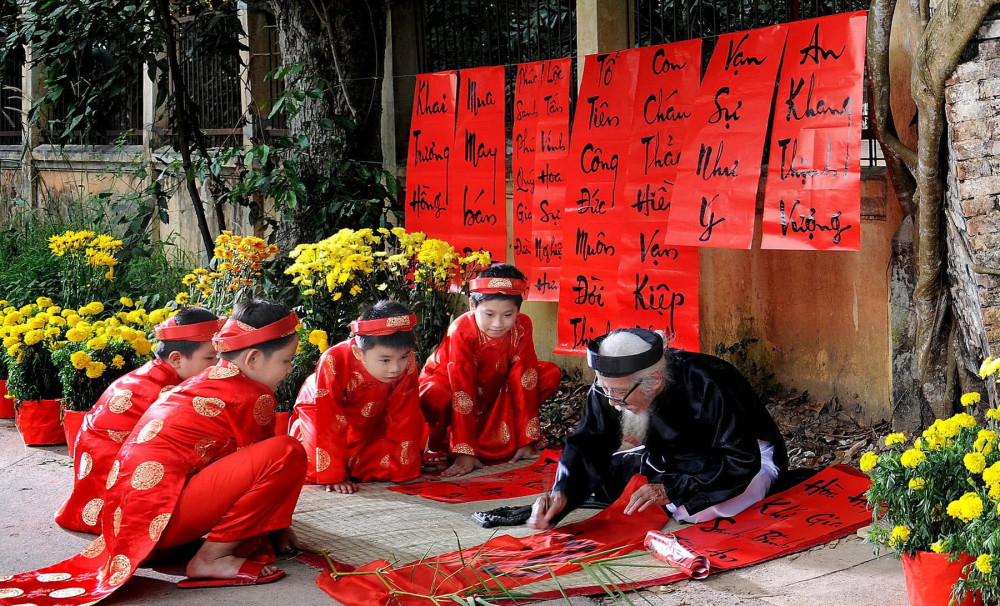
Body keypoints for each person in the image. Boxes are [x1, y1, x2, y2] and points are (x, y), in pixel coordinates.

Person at [0, 299, 306, 603]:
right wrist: (276, 528)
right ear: (252, 359)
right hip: (157, 519)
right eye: (286, 360)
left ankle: (175, 548)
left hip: (132, 521)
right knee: (286, 451)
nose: (290, 369)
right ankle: (210, 560)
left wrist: (277, 525)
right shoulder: (250, 394)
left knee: (272, 453)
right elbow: (264, 471)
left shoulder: (206, 380)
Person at [527, 328, 788, 531]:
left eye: (617, 393)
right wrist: (563, 491)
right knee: (608, 479)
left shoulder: (709, 380)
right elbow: (590, 442)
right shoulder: (611, 384)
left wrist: (670, 489)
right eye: (603, 389)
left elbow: (740, 458)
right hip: (670, 460)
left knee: (699, 510)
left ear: (653, 380)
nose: (609, 401)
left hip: (740, 462)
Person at [55, 307, 224, 534]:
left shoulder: (150, 376)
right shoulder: (168, 394)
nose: (218, 366)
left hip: (98, 493)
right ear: (176, 359)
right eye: (210, 358)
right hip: (121, 505)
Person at [419, 264, 561, 478]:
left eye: (507, 314)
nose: (497, 324)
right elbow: (462, 387)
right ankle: (439, 443)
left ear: (518, 311)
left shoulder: (523, 325)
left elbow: (525, 377)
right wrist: (464, 451)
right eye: (489, 314)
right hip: (453, 386)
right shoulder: (461, 330)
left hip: (495, 387)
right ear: (472, 306)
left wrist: (527, 440)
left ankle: (515, 439)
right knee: (435, 394)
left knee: (548, 373)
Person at [291, 300, 424, 493]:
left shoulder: (408, 361)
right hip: (319, 409)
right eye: (385, 360)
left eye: (403, 357)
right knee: (313, 467)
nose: (396, 368)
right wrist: (333, 476)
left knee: (383, 467)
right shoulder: (333, 359)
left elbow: (405, 415)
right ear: (357, 352)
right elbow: (328, 418)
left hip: (370, 414)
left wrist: (407, 471)